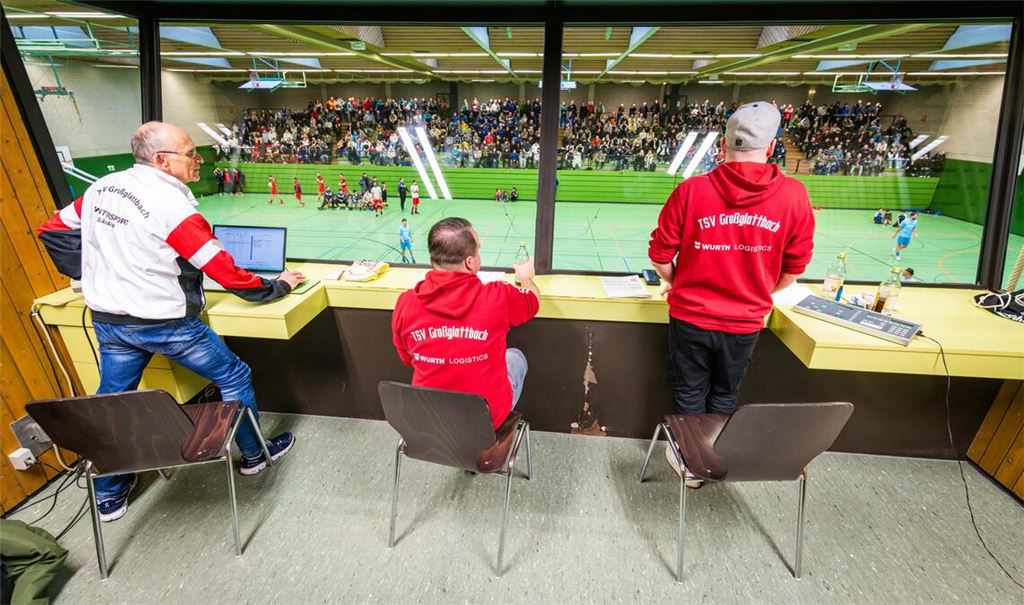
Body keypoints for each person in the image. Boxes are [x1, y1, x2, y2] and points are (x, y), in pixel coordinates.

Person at [36, 121, 305, 522]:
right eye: (190, 153)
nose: (198, 160)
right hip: (166, 323)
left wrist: (96, 270)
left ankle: (109, 494)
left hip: (110, 320)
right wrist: (276, 287)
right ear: (162, 161)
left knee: (112, 401)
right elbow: (225, 272)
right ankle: (254, 456)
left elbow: (53, 229)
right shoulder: (172, 207)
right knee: (233, 375)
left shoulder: (100, 189)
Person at [648, 101, 815, 488]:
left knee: (689, 392)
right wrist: (755, 289)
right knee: (724, 395)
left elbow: (659, 257)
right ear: (772, 148)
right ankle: (712, 455)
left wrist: (680, 281)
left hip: (690, 316)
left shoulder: (692, 191)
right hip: (745, 322)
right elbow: (794, 268)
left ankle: (692, 467)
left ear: (723, 146)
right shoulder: (794, 196)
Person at [391, 217, 539, 429]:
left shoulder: (406, 303)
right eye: (478, 250)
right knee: (515, 358)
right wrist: (526, 278)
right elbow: (532, 301)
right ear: (470, 262)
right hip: (484, 422)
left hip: (428, 421)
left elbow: (407, 358)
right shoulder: (498, 297)